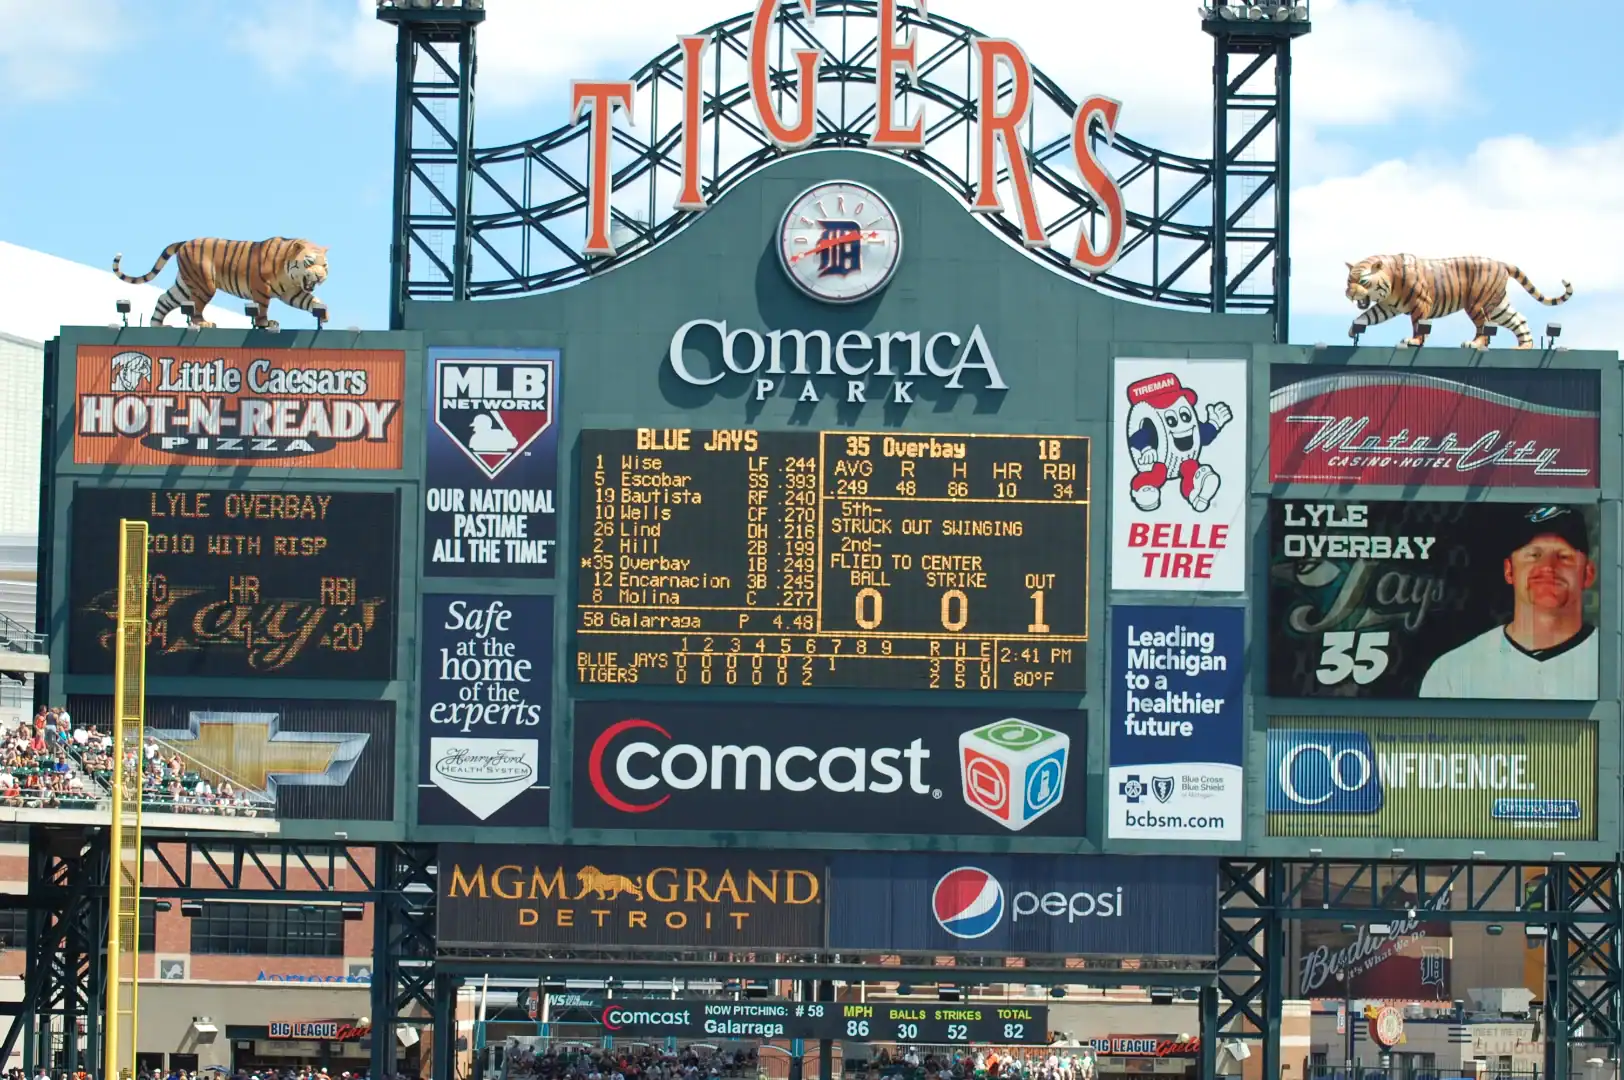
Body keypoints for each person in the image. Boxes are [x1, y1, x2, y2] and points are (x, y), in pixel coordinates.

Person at [1420, 506, 1597, 699]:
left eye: (1564, 556)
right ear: (1509, 570)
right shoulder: (1453, 670)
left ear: (1587, 574)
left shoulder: (1614, 662)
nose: (1547, 567)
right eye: (1533, 555)